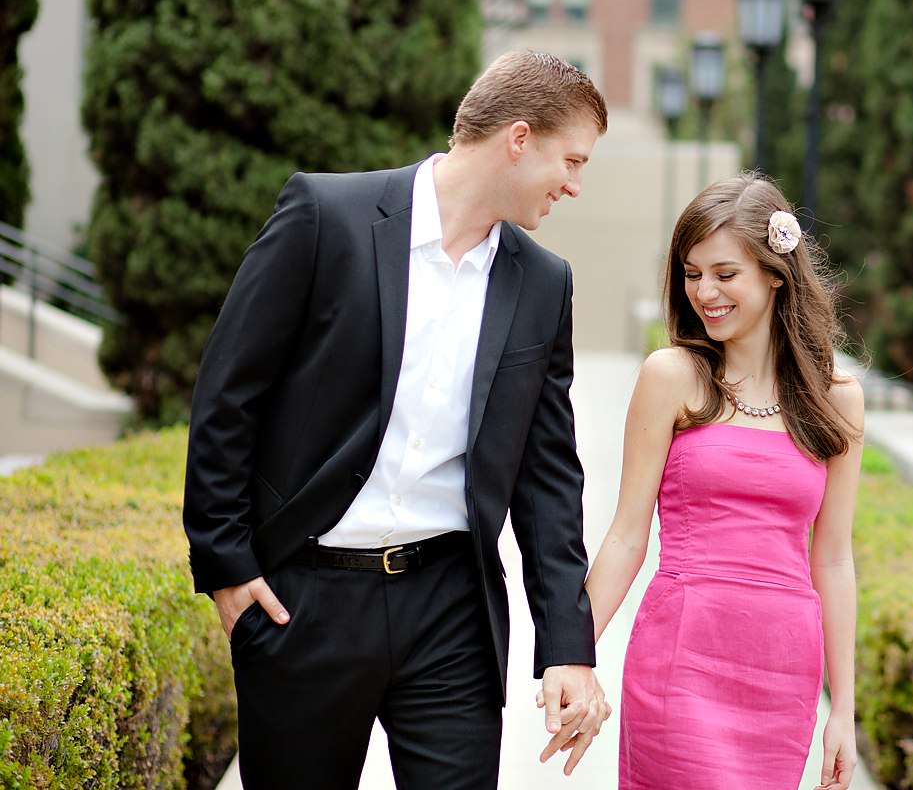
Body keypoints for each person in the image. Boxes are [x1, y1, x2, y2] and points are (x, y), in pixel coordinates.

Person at [183, 51, 612, 789]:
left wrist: (566, 646)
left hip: (451, 608)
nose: (574, 184)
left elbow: (548, 479)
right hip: (304, 603)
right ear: (518, 138)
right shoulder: (326, 217)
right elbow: (228, 395)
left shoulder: (544, 284)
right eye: (570, 160)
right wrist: (227, 566)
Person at [583, 172, 864, 790]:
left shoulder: (838, 401)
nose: (704, 291)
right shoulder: (672, 376)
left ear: (774, 272)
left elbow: (835, 559)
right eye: (691, 273)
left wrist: (841, 711)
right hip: (681, 654)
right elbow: (627, 534)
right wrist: (574, 655)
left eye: (724, 273)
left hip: (782, 666)